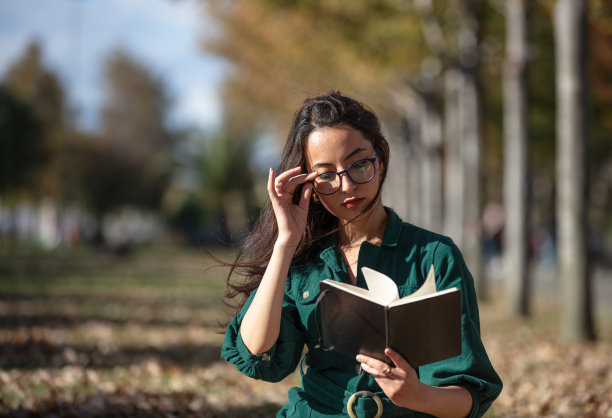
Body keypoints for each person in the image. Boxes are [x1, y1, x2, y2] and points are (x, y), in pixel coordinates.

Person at [221, 91, 502, 417]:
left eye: (358, 165)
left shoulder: (434, 257)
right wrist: (285, 243)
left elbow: (470, 397)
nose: (346, 185)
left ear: (379, 157)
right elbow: (256, 352)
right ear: (309, 186)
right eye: (326, 175)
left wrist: (417, 395)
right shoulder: (303, 263)